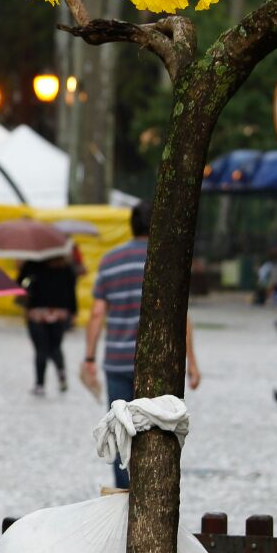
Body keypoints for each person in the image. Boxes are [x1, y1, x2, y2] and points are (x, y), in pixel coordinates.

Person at [82, 201, 201, 488]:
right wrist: (192, 363)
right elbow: (179, 315)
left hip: (117, 361)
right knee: (156, 427)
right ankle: (152, 491)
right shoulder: (166, 260)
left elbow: (97, 313)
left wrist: (88, 358)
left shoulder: (110, 260)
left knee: (122, 427)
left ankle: (124, 491)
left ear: (130, 225)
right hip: (156, 364)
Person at [19, 253, 77, 395]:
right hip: (59, 313)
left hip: (37, 312)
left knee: (41, 349)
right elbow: (71, 290)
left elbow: (20, 283)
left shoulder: (32, 264)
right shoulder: (66, 266)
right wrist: (73, 311)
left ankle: (40, 384)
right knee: (55, 347)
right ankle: (61, 373)